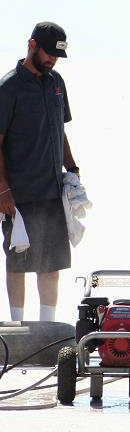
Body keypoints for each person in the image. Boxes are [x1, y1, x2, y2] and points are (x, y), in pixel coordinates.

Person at [0, 22, 79, 322]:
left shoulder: (56, 82)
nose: (52, 61)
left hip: (53, 190)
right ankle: (17, 327)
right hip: (18, 195)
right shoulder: (7, 88)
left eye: (57, 57)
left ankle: (47, 332)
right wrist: (2, 189)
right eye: (48, 54)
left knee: (51, 264)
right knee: (18, 262)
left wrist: (73, 169)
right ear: (32, 45)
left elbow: (60, 130)